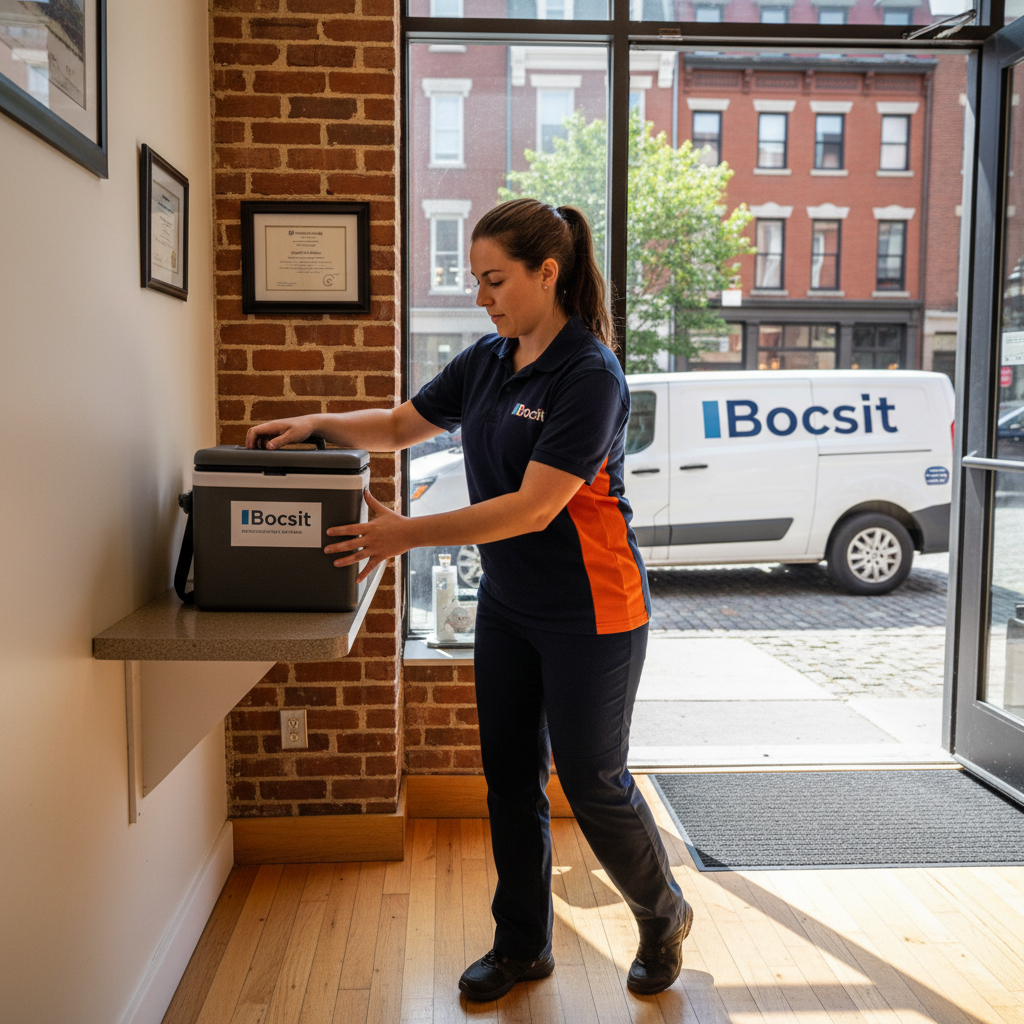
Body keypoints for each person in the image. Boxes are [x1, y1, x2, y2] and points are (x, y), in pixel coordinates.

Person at [245, 197, 691, 1001]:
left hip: (593, 607)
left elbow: (533, 508)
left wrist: (402, 534)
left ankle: (662, 914)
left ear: (546, 273)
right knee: (511, 776)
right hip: (512, 604)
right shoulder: (488, 362)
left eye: (495, 280)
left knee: (592, 781)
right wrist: (317, 421)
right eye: (476, 282)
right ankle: (522, 946)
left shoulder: (590, 376)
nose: (482, 298)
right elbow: (396, 423)